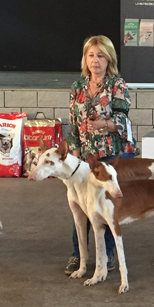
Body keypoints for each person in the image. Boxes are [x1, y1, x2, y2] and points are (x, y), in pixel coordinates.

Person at [64, 35, 138, 275]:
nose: (95, 61)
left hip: (112, 154)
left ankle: (107, 255)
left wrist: (103, 124)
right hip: (85, 159)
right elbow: (73, 125)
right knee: (82, 207)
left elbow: (123, 119)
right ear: (85, 59)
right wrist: (75, 158)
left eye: (100, 56)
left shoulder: (117, 84)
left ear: (109, 59)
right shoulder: (77, 86)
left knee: (106, 209)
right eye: (91, 55)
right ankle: (79, 255)